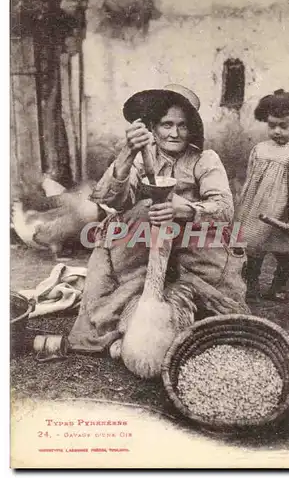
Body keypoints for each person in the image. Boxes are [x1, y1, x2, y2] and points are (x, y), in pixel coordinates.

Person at [69, 84, 249, 354]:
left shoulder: (204, 159)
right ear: (153, 127)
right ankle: (125, 327)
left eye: (183, 125)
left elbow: (224, 207)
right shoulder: (141, 157)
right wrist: (128, 153)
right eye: (166, 124)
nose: (174, 133)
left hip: (193, 243)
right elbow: (111, 199)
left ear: (193, 128)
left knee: (222, 313)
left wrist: (184, 210)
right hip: (140, 244)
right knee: (105, 304)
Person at [237, 89, 289, 302]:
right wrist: (244, 203)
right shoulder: (259, 149)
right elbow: (251, 178)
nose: (277, 131)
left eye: (284, 126)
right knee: (253, 250)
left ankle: (277, 287)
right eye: (272, 125)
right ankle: (251, 286)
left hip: (281, 213)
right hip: (257, 211)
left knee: (285, 253)